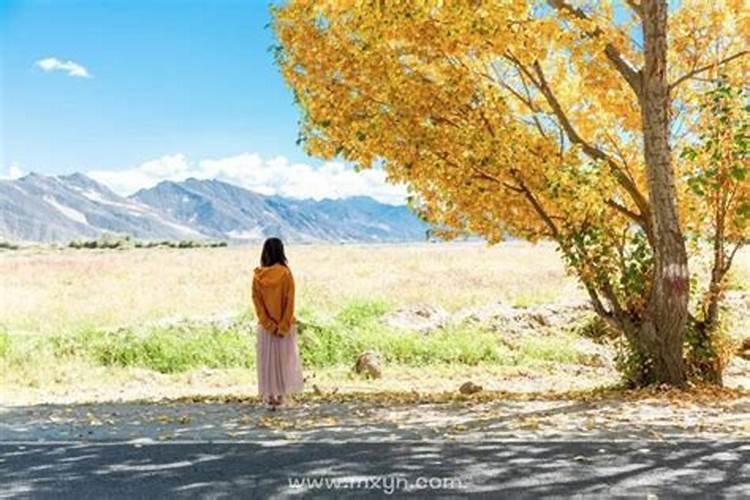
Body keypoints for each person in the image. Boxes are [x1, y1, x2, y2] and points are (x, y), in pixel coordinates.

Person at [251, 237, 304, 410]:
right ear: (281, 251)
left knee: (267, 363)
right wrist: (283, 325)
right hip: (285, 327)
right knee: (283, 362)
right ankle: (281, 396)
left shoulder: (258, 276)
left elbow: (257, 303)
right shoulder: (286, 274)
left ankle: (270, 397)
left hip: (265, 328)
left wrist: (269, 325)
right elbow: (290, 302)